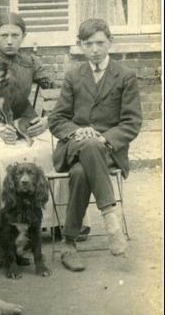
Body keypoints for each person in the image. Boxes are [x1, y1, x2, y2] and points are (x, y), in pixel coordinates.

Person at [48, 18, 142, 272]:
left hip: (109, 149)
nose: (95, 49)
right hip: (75, 146)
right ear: (80, 46)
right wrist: (79, 132)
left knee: (80, 173)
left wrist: (105, 138)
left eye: (100, 42)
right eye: (88, 44)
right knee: (87, 145)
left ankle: (69, 244)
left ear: (110, 42)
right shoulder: (74, 76)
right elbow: (56, 119)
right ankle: (111, 218)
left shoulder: (124, 76)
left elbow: (132, 122)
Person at [0, 12, 58, 231]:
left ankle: (53, 221)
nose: (9, 40)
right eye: (4, 35)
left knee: (55, 150)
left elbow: (54, 92)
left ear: (23, 36)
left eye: (15, 35)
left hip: (24, 124)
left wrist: (46, 120)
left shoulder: (31, 62)